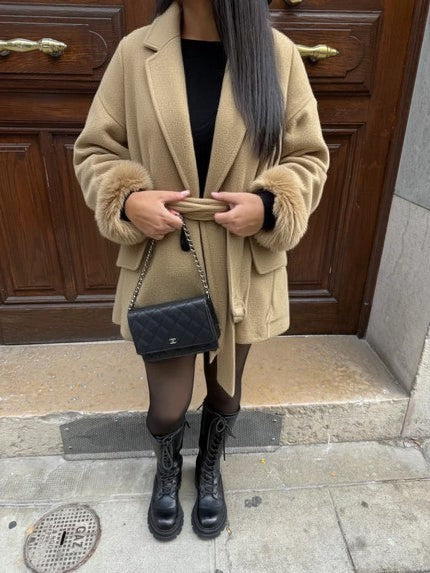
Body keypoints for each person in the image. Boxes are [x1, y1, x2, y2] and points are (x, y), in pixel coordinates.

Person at [73, 0, 329, 542]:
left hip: (242, 262)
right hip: (165, 255)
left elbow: (309, 156)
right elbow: (94, 150)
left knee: (226, 392)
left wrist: (269, 206)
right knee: (167, 405)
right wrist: (128, 201)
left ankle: (208, 470)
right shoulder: (135, 52)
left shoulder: (276, 55)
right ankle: (167, 470)